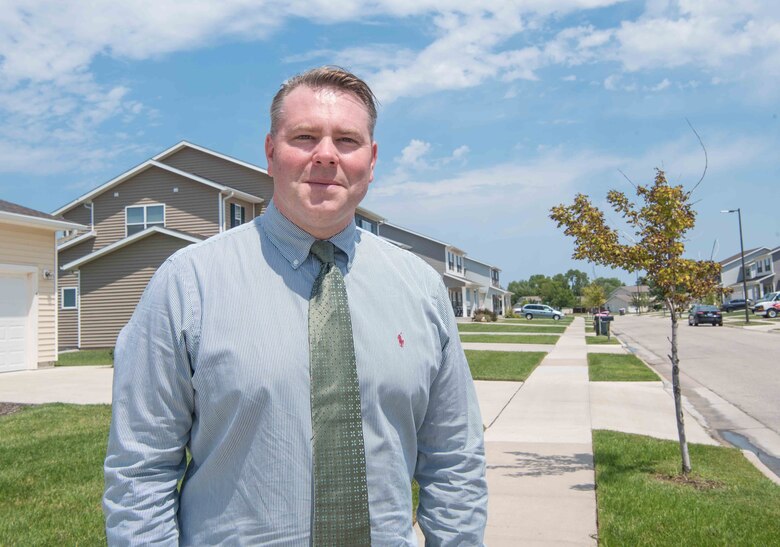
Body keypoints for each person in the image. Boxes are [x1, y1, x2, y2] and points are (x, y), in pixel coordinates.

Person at [103, 66, 487, 546]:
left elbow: (454, 459)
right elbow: (140, 468)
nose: (326, 155)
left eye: (346, 140)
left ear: (371, 159)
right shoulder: (187, 284)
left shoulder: (422, 289)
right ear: (270, 153)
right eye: (305, 137)